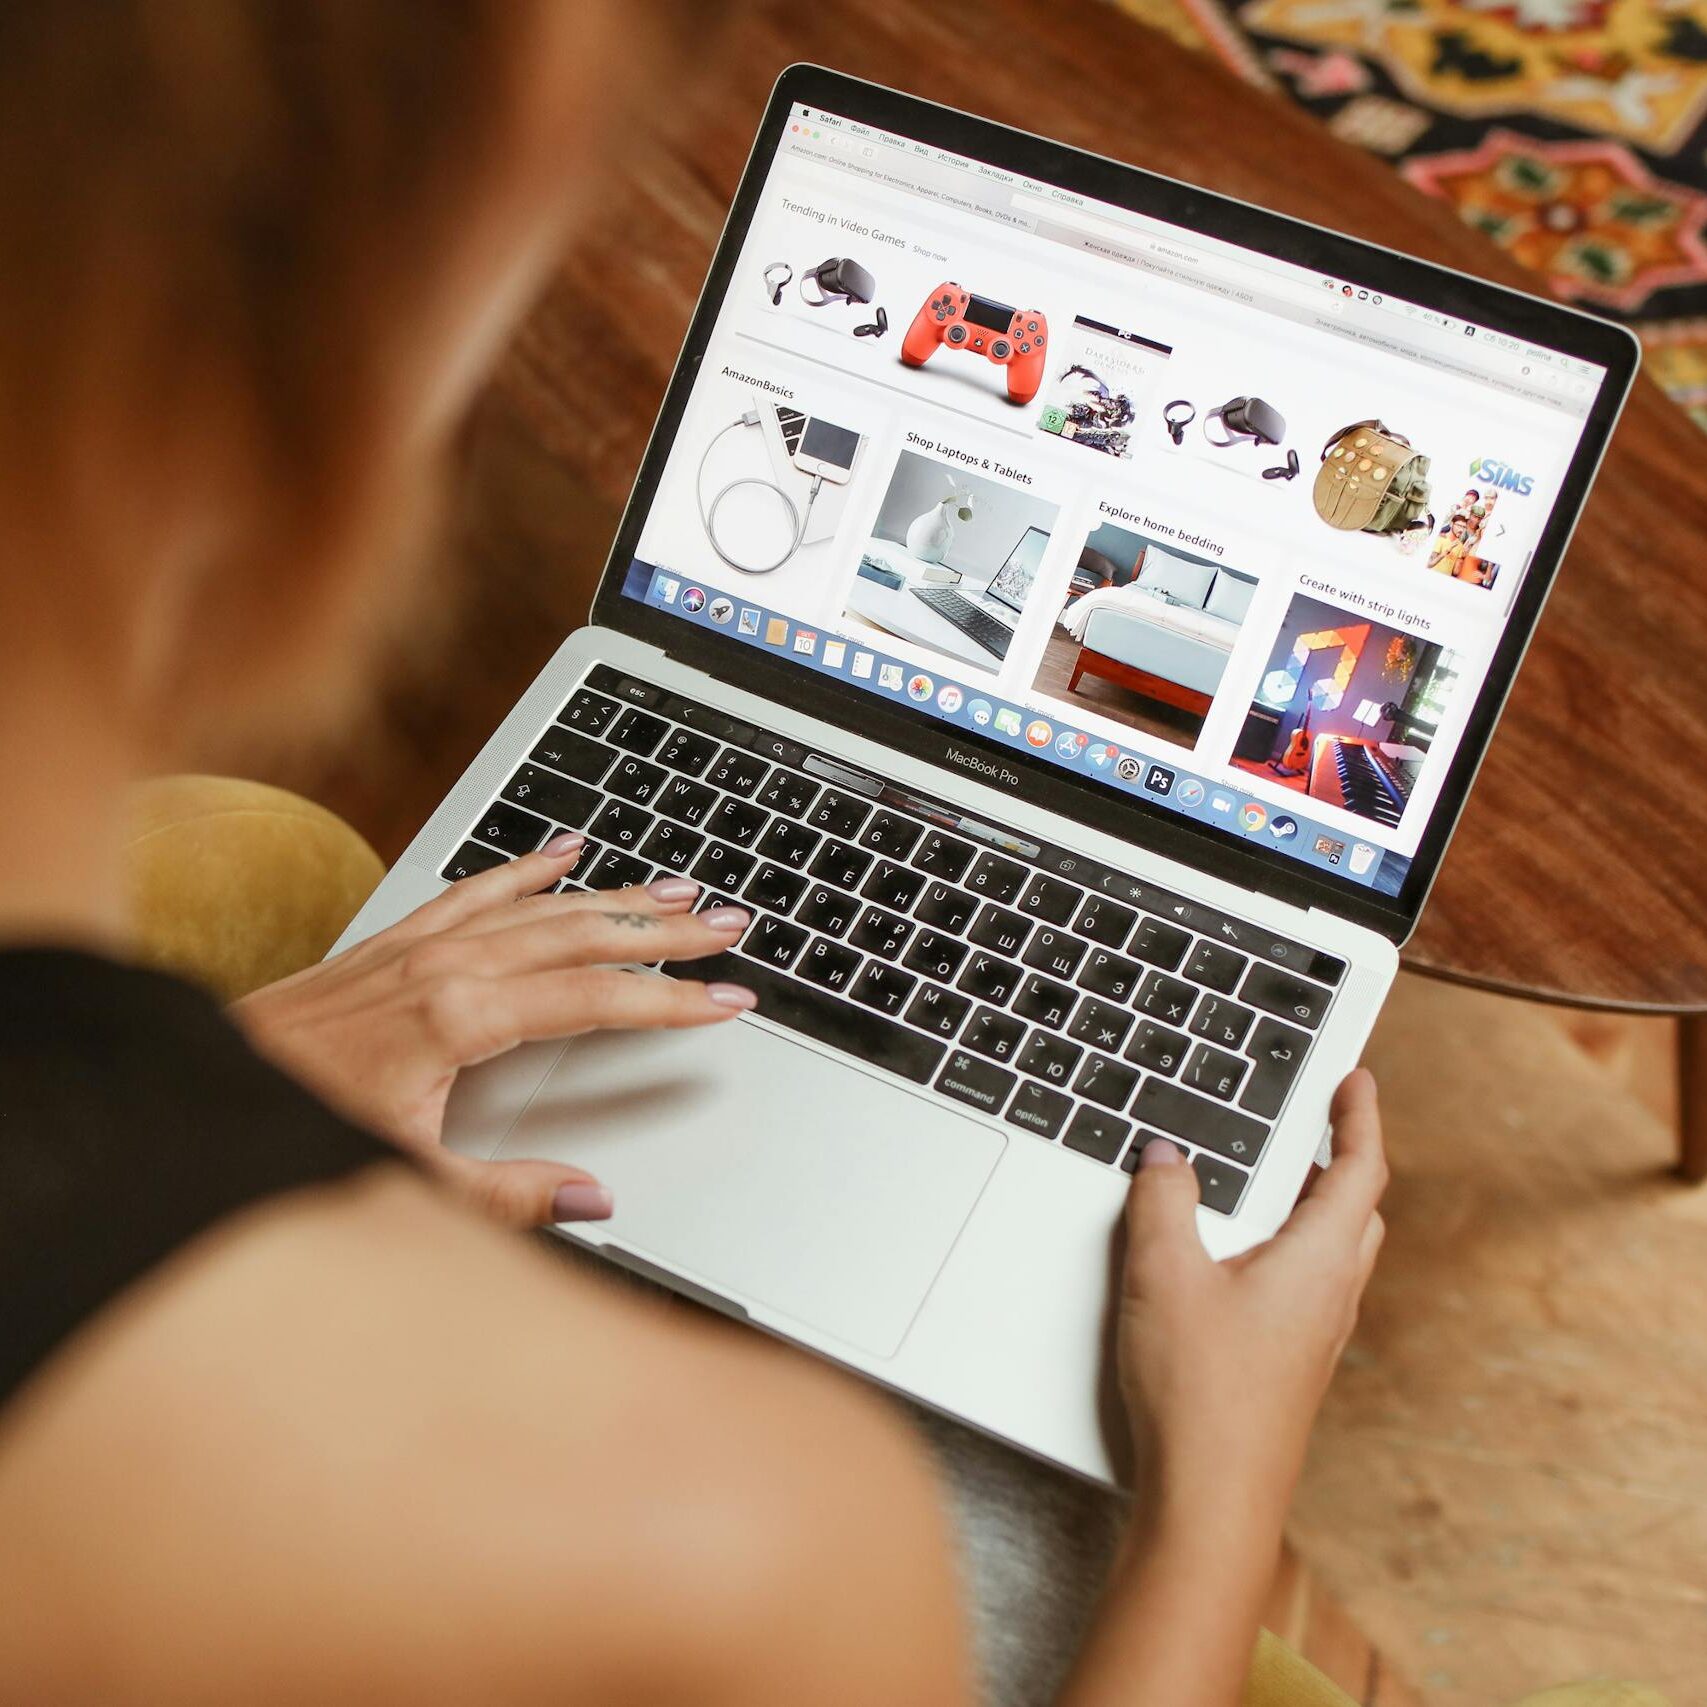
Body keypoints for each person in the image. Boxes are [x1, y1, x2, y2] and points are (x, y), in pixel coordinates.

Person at [0, 6, 1388, 1704]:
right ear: (321, 353)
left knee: (297, 861)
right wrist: (1221, 1502)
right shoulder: (732, 1537)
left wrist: (203, 1096)